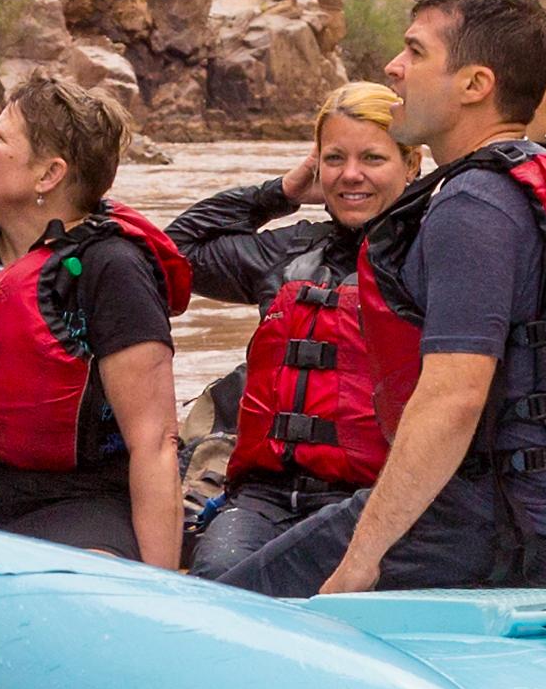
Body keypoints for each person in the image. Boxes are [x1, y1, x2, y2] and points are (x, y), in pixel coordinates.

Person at [239, 0, 546, 598]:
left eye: (415, 50)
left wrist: (362, 561)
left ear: (475, 85)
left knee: (234, 599)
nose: (393, 68)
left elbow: (453, 400)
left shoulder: (474, 205)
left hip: (488, 526)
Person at [0, 76, 195, 561]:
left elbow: (154, 443)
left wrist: (159, 585)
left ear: (48, 175)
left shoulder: (111, 268)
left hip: (67, 502)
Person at [174, 81, 423, 587]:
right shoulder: (287, 253)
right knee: (220, 581)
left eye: (372, 158)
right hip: (265, 497)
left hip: (374, 497)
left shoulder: (434, 253)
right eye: (334, 159)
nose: (350, 175)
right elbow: (175, 249)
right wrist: (282, 192)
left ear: (412, 165)